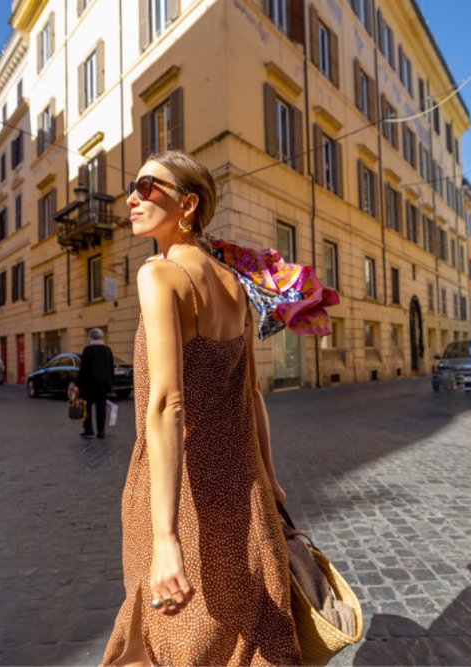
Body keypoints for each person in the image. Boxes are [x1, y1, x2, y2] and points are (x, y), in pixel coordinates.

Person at [102, 151, 337, 666]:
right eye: (133, 188)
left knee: (176, 641)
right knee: (243, 639)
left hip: (181, 493)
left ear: (187, 204)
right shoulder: (235, 283)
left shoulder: (159, 276)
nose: (132, 199)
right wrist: (269, 479)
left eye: (147, 187)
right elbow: (251, 395)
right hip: (245, 487)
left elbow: (167, 403)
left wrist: (165, 537)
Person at [78, 328, 114, 439]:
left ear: (92, 337)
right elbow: (110, 369)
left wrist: (79, 384)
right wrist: (110, 384)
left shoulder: (87, 350)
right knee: (101, 408)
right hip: (102, 385)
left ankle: (88, 429)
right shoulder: (107, 350)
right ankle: (101, 431)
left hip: (89, 385)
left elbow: (83, 369)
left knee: (87, 407)